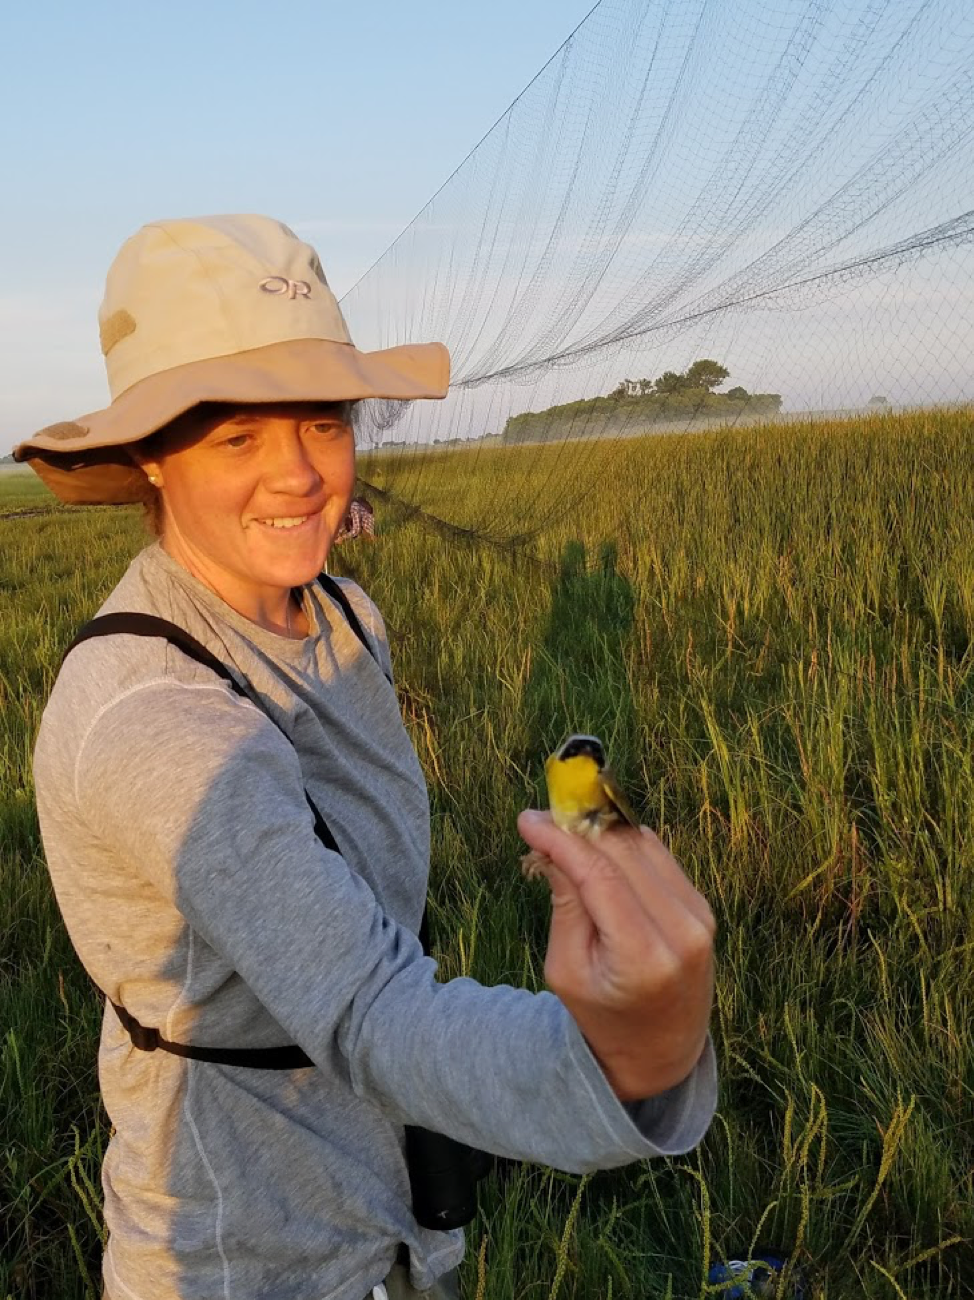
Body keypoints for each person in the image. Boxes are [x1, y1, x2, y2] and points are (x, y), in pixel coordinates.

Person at [14, 215, 717, 1300]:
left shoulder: (343, 616)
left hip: (388, 1197)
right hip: (246, 1249)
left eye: (321, 423)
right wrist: (628, 1050)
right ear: (150, 456)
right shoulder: (154, 726)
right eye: (235, 437)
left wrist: (296, 526)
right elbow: (369, 1007)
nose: (298, 473)